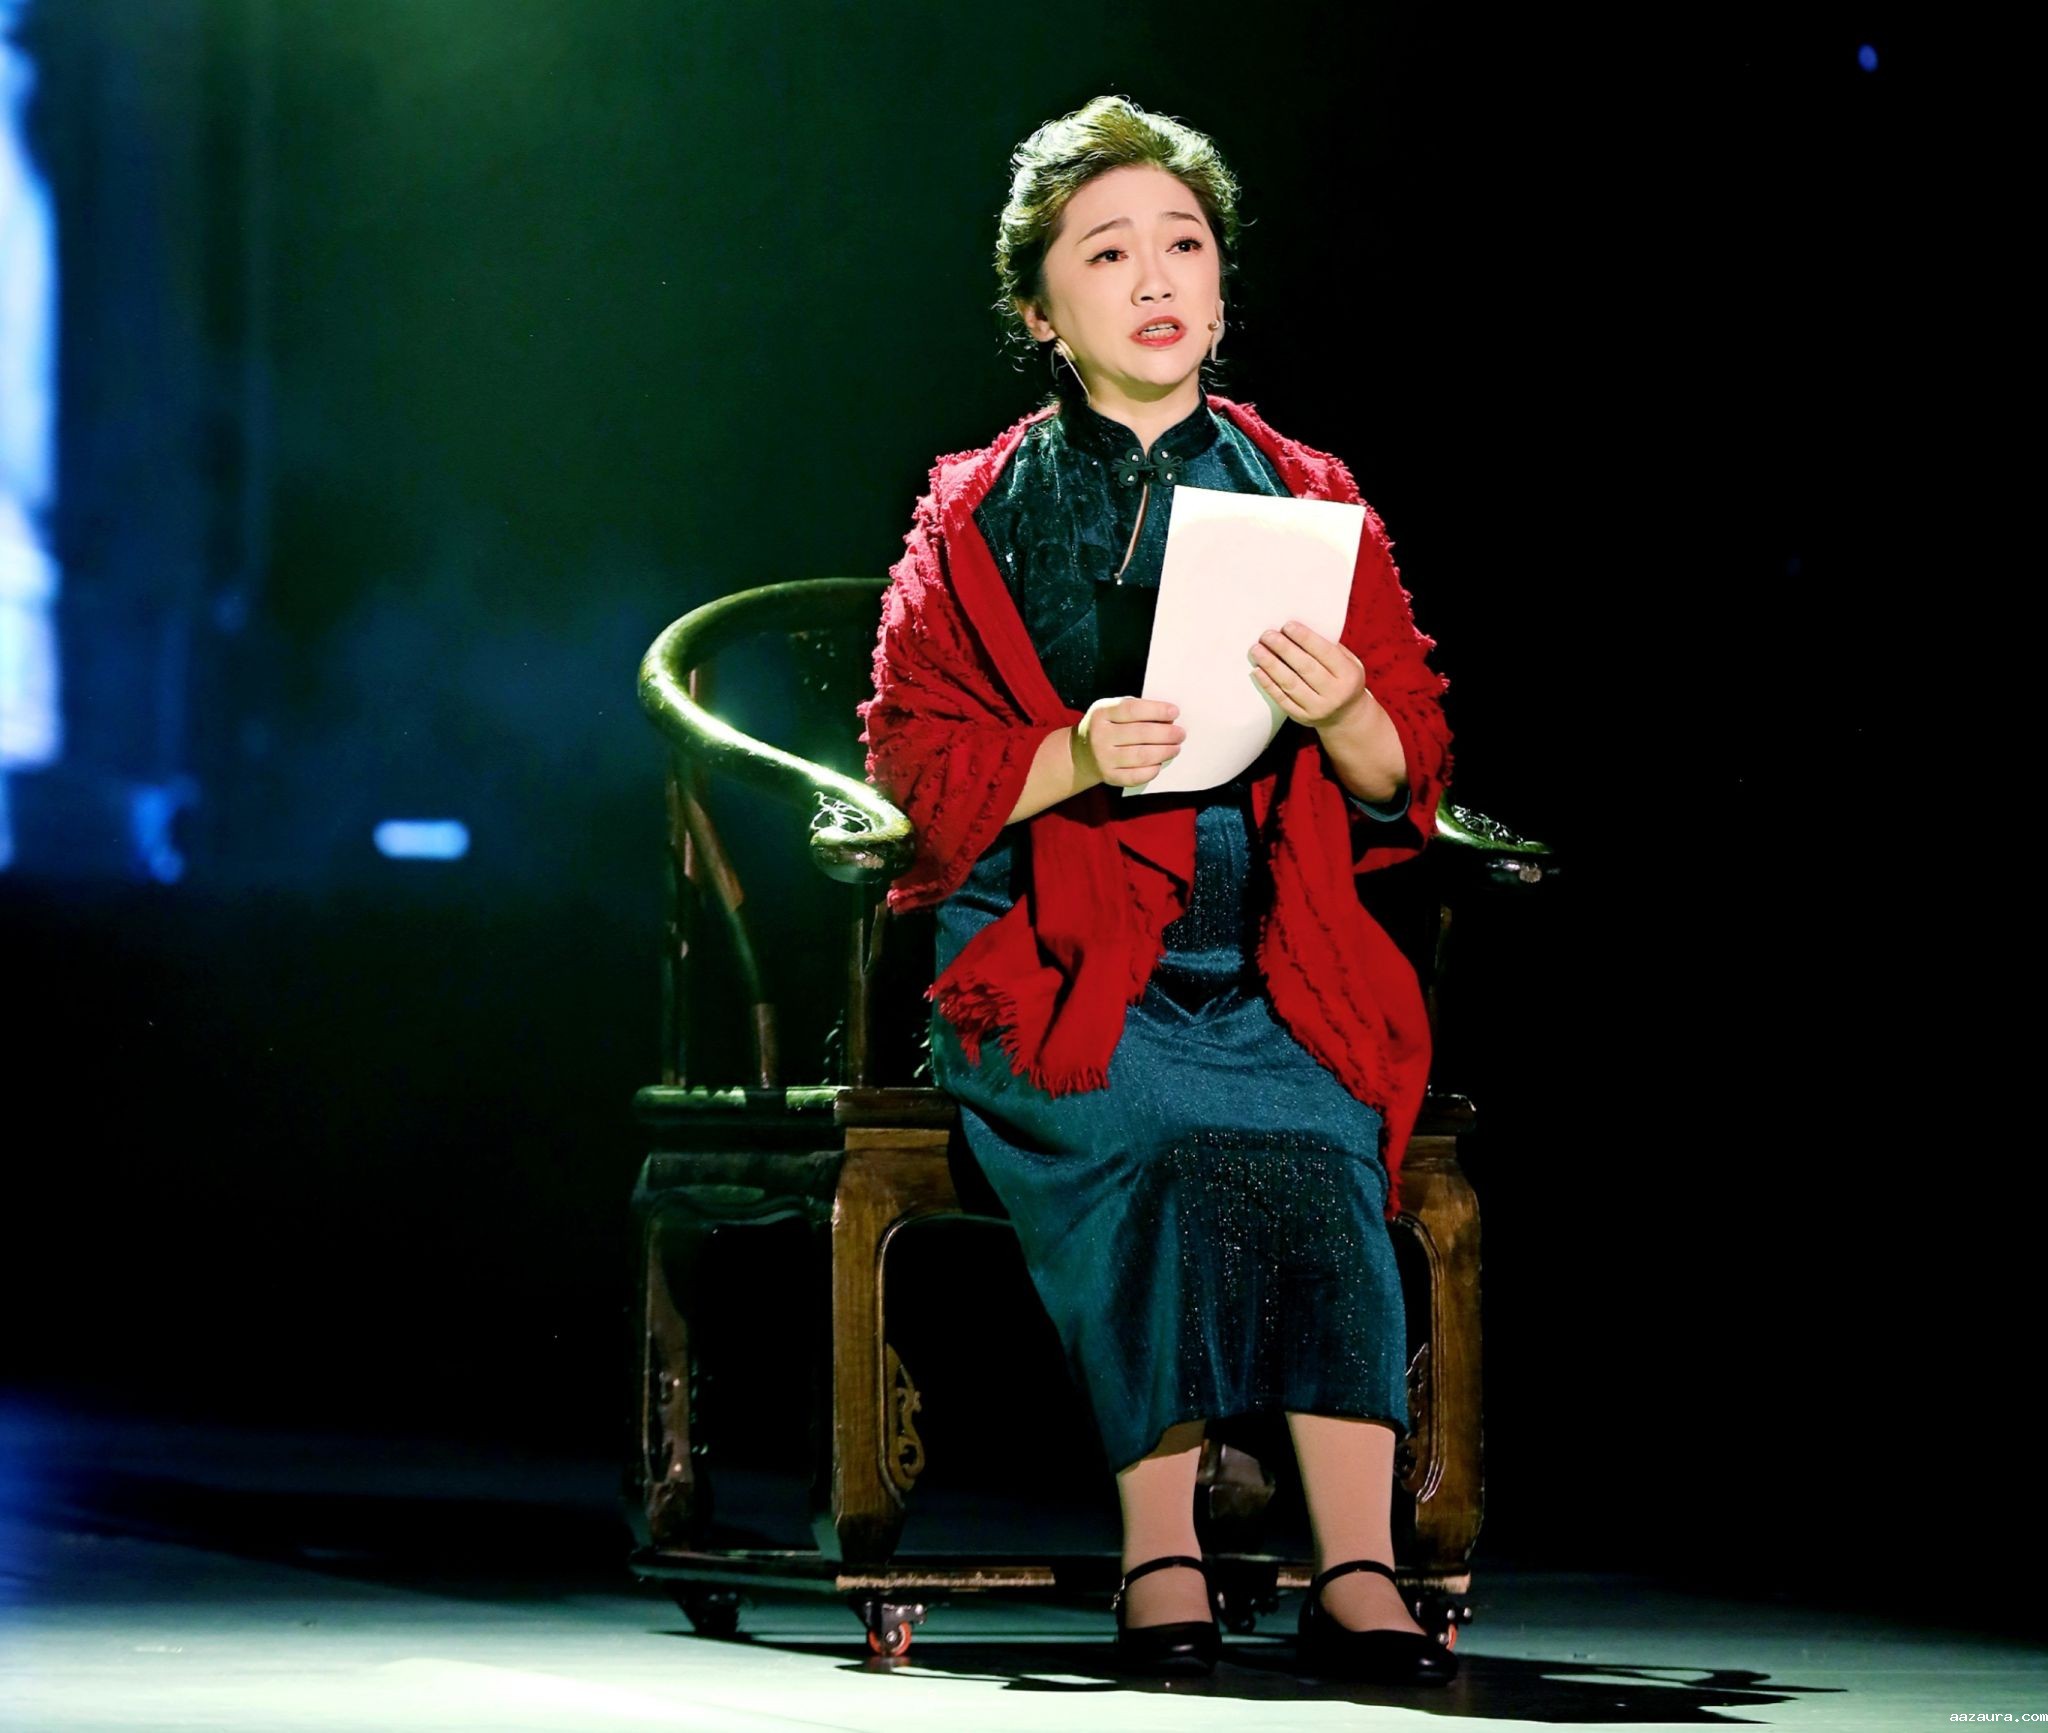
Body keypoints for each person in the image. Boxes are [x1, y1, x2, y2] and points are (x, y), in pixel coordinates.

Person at [858, 95, 1455, 1686]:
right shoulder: (975, 511)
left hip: (1263, 955)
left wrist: (1344, 706)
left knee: (1320, 1128)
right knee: (1161, 1134)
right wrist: (1066, 756)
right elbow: (910, 761)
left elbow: (1408, 759)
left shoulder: (1305, 489)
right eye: (1108, 252)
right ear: (1039, 310)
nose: (1154, 278)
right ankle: (1163, 1550)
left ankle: (1357, 1564)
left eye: (1182, 244)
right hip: (1057, 968)